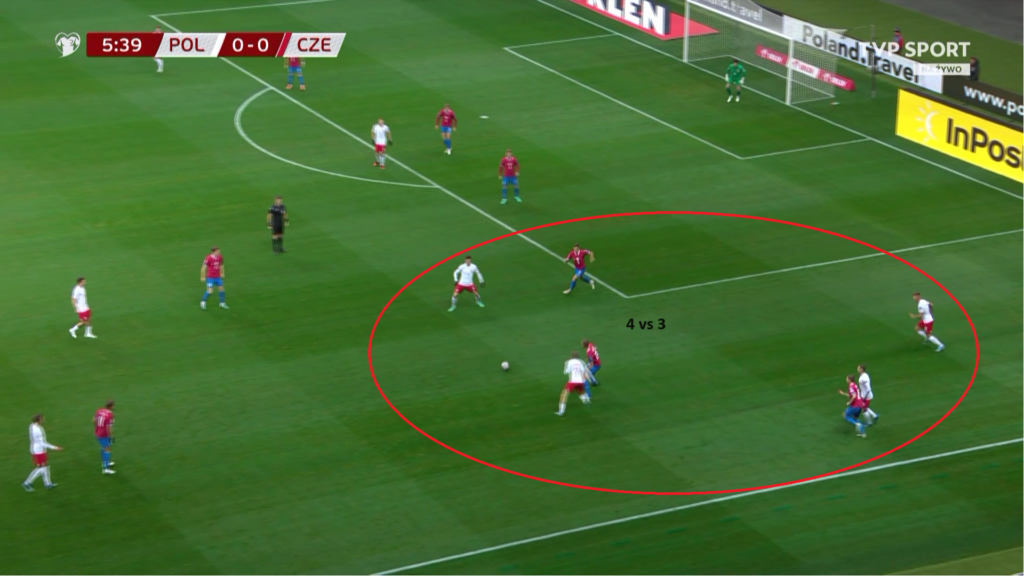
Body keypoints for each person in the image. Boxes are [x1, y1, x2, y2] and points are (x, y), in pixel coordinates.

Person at [23, 414, 62, 491]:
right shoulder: (37, 431)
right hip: (38, 451)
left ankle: (47, 483)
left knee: (46, 466)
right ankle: (27, 482)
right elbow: (42, 443)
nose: (43, 420)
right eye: (42, 419)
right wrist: (55, 447)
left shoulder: (32, 425)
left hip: (39, 449)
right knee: (41, 468)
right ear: (39, 420)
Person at [556, 351, 593, 416]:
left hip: (572, 381)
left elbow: (565, 372)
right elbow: (585, 371)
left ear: (571, 356)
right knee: (580, 391)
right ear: (578, 356)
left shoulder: (568, 362)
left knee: (564, 395)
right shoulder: (582, 362)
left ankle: (561, 411)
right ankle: (587, 401)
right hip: (581, 381)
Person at [94, 401, 116, 475]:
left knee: (104, 447)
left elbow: (93, 420)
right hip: (104, 435)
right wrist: (111, 436)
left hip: (97, 433)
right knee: (107, 449)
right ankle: (106, 469)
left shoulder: (99, 410)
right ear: (111, 406)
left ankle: (106, 462)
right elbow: (109, 428)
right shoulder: (110, 415)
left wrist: (97, 428)